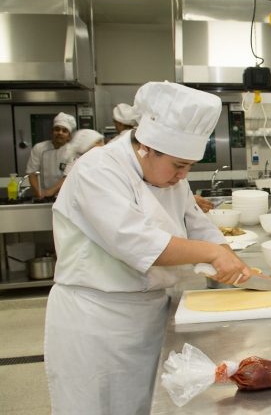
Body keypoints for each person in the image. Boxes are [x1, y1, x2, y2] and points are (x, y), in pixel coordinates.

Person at [45, 81, 253, 414]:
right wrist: (212, 254)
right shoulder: (98, 170)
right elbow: (138, 243)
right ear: (146, 148)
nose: (182, 176)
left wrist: (226, 253)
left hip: (151, 318)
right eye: (178, 166)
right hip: (96, 323)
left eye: (188, 167)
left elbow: (197, 223)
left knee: (145, 405)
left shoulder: (171, 177)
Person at [25, 111, 75, 199]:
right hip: (43, 196)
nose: (60, 133)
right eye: (57, 129)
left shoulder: (73, 151)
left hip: (66, 197)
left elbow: (68, 177)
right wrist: (39, 193)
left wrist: (50, 192)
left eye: (64, 130)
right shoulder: (39, 148)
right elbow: (32, 173)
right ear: (51, 132)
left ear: (69, 136)